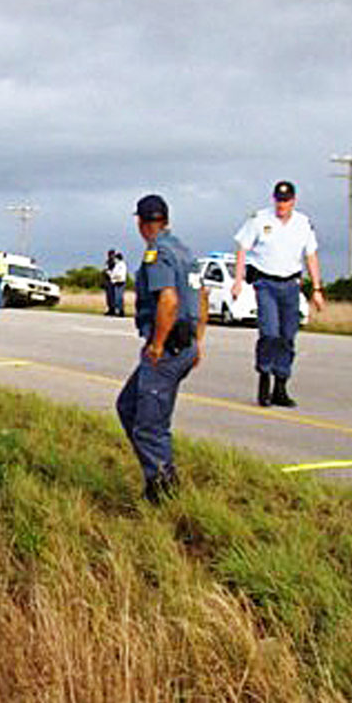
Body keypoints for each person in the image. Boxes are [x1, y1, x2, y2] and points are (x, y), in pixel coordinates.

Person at [116, 195, 208, 504]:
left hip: (167, 348)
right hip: (185, 344)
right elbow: (202, 296)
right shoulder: (184, 250)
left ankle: (163, 491)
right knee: (128, 406)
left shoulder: (158, 253)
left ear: (142, 224)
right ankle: (159, 475)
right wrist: (198, 341)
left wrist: (157, 345)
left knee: (148, 426)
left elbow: (168, 300)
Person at [231, 181, 325, 407]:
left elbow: (311, 256)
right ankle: (264, 376)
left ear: (293, 201)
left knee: (287, 336)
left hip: (291, 284)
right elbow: (243, 247)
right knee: (269, 332)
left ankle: (280, 386)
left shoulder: (303, 224)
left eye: (286, 200)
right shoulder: (260, 219)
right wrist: (237, 281)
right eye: (278, 200)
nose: (281, 204)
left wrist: (317, 289)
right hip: (266, 283)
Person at [111, 252, 128, 317]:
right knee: (116, 298)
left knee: (119, 297)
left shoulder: (122, 264)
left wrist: (115, 276)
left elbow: (121, 274)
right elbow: (113, 273)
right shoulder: (117, 265)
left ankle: (121, 311)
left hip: (121, 282)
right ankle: (118, 310)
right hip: (116, 282)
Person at [103, 249, 117, 315]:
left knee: (112, 295)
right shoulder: (108, 262)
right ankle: (110, 309)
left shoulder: (115, 262)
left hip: (112, 280)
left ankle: (113, 309)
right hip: (108, 280)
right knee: (109, 296)